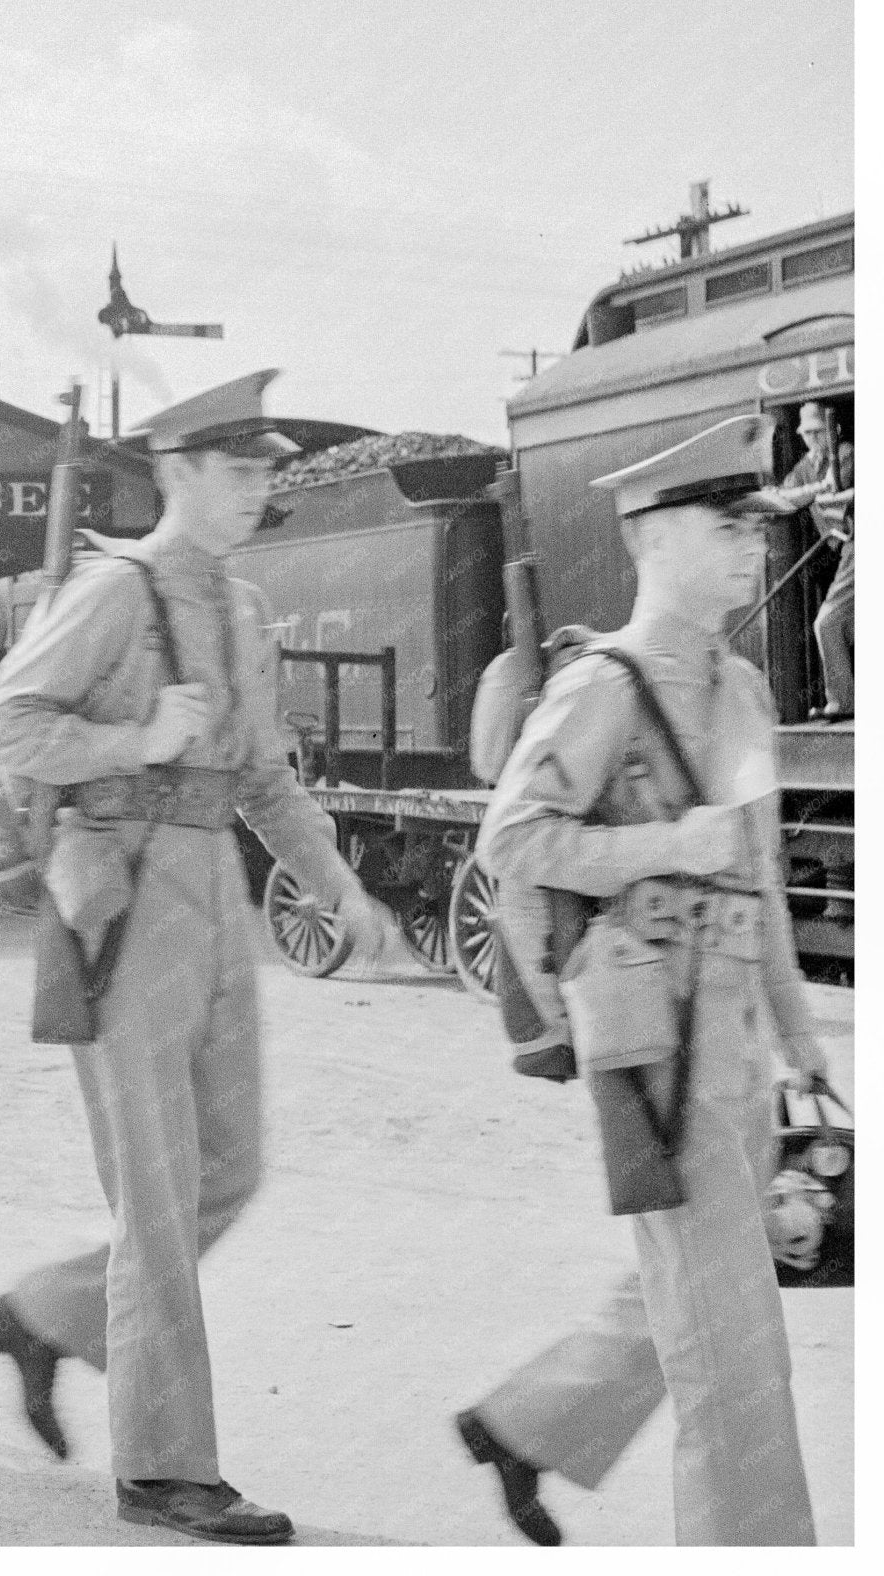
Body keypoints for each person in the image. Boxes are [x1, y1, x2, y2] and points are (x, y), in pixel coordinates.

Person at [0, 372, 395, 1545]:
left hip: (210, 892)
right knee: (156, 1193)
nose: (260, 487)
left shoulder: (245, 609)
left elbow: (262, 778)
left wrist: (336, 884)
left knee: (228, 1167)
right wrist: (130, 736)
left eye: (266, 469)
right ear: (175, 474)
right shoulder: (114, 589)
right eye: (238, 467)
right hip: (118, 896)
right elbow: (2, 721)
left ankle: (44, 1312)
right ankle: (164, 1464)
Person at [453, 414, 828, 1547]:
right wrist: (661, 847)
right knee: (731, 1339)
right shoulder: (601, 685)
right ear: (656, 538)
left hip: (727, 1030)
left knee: (708, 1282)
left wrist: (796, 1030)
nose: (752, 551)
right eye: (728, 529)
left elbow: (752, 865)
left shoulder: (743, 692)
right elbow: (510, 842)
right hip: (646, 1032)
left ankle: (531, 1423)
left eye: (753, 533)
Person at [763, 399, 853, 720]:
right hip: (842, 553)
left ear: (833, 430)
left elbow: (840, 487)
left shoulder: (846, 453)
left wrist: (820, 491)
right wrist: (816, 488)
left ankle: (844, 701)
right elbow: (781, 498)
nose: (812, 440)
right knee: (844, 626)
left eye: (818, 432)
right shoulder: (804, 467)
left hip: (856, 547)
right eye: (807, 434)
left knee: (828, 623)